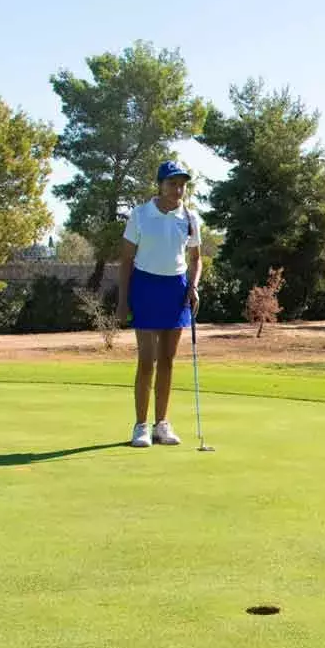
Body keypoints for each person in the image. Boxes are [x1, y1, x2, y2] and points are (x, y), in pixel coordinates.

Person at [116, 160, 203, 448]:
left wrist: (193, 286)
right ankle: (140, 425)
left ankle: (161, 424)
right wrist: (122, 301)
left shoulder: (189, 218)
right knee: (146, 361)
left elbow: (196, 259)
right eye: (172, 183)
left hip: (176, 289)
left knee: (167, 360)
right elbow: (127, 260)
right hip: (146, 286)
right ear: (160, 184)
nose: (177, 189)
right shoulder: (141, 215)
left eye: (182, 185)